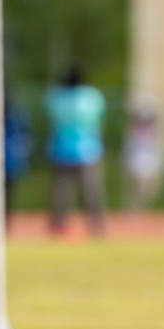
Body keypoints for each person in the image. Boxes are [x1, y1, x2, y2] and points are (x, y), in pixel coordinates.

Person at [44, 66, 107, 235]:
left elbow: (52, 125)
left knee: (61, 193)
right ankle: (97, 226)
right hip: (88, 151)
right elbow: (99, 124)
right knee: (91, 193)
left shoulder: (56, 98)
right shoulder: (92, 98)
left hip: (61, 151)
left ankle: (58, 225)